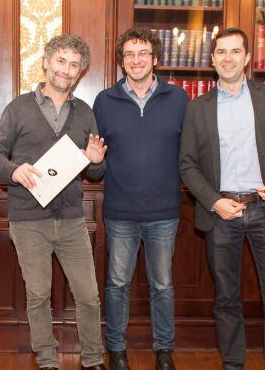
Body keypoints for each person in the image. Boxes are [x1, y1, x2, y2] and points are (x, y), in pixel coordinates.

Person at [179, 27, 265, 370]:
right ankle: (233, 364)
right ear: (213, 59)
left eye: (235, 52)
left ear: (247, 58)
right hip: (222, 213)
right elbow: (187, 164)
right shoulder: (197, 108)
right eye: (221, 52)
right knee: (226, 299)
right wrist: (213, 201)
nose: (228, 58)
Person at [0, 34, 107, 370]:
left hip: (71, 219)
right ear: (46, 62)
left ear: (81, 72)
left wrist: (95, 160)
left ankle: (93, 360)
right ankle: (48, 360)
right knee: (38, 295)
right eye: (61, 61)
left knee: (88, 296)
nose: (66, 70)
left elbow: (96, 173)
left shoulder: (84, 113)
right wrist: (14, 171)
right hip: (27, 220)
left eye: (74, 64)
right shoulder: (18, 108)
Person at [93, 27, 188, 370]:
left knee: (162, 285)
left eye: (143, 53)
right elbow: (95, 164)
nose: (136, 60)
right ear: (121, 62)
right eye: (130, 54)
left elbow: (188, 155)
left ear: (155, 59)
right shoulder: (104, 101)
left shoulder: (179, 99)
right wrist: (94, 159)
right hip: (120, 211)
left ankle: (164, 350)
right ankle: (116, 350)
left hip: (164, 211)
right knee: (117, 284)